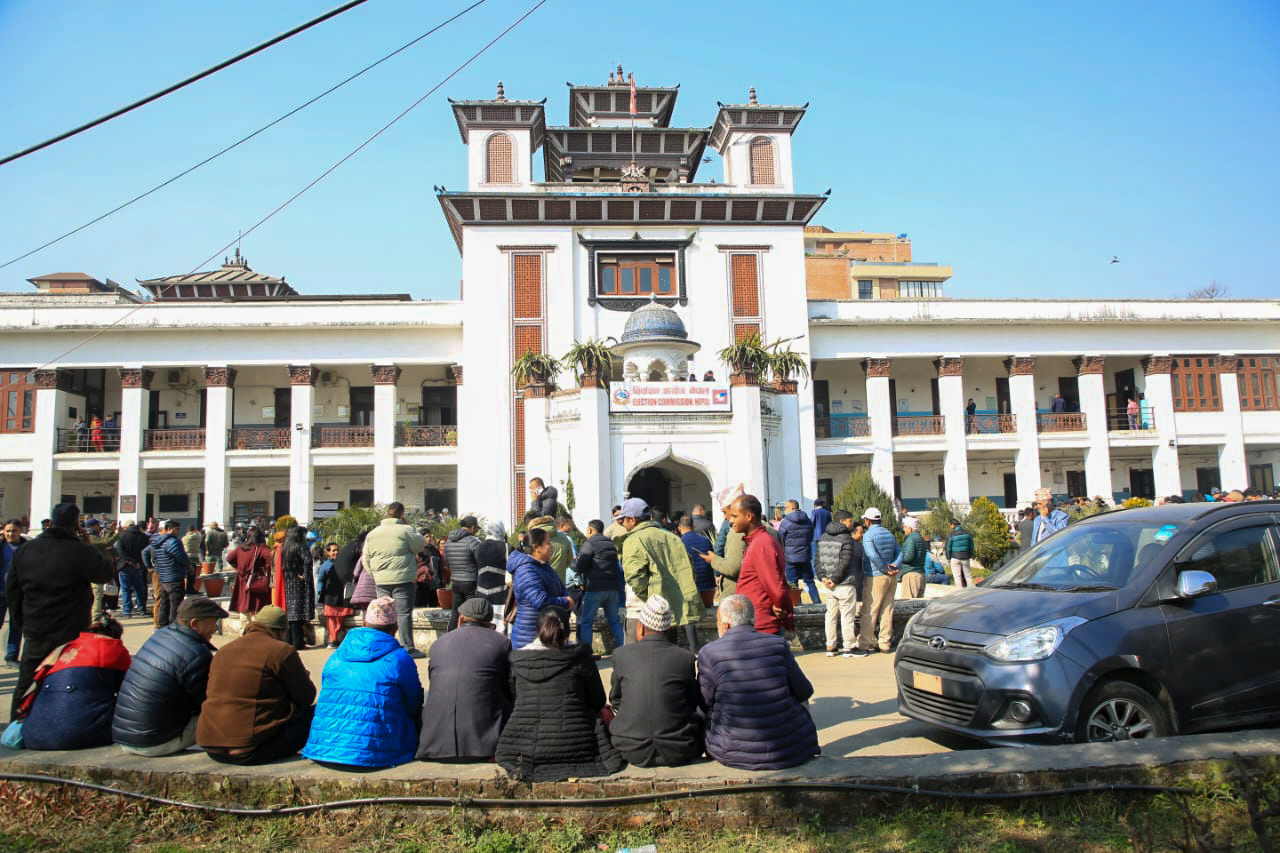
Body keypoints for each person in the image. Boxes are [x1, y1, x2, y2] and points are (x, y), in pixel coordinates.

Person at [7, 503, 115, 717]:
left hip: (37, 625)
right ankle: (64, 721)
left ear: (52, 521)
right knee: (70, 679)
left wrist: (23, 621)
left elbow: (13, 591)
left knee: (27, 681)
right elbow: (105, 573)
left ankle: (18, 722)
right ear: (77, 524)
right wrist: (88, 545)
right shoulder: (81, 550)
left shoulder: (26, 550)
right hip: (71, 628)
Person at [495, 605, 625, 782]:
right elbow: (598, 700)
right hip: (579, 743)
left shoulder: (519, 662)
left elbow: (514, 699)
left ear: (538, 630)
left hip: (525, 746)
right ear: (568, 631)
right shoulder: (580, 659)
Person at [697, 595, 818, 771]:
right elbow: (804, 691)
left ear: (725, 625)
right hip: (787, 750)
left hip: (733, 751)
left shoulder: (709, 653)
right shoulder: (778, 644)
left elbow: (704, 702)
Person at [303, 597, 424, 770]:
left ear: (365, 623)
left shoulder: (337, 655)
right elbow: (413, 703)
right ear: (395, 628)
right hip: (376, 752)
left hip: (323, 748)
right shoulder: (399, 658)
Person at [198, 605, 316, 765]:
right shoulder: (281, 651)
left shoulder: (224, 650)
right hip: (251, 749)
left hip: (211, 746)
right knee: (320, 711)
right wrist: (303, 678)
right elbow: (306, 697)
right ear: (280, 632)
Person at [112, 596, 225, 756]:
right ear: (194, 624)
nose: (215, 628)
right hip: (154, 741)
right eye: (213, 623)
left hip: (126, 735)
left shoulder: (161, 635)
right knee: (227, 713)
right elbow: (207, 702)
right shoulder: (196, 654)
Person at [608, 595, 705, 767]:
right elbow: (692, 702)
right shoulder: (685, 657)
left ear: (640, 627)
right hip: (680, 748)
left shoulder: (622, 655)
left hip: (630, 747)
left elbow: (616, 699)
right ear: (669, 629)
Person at [416, 597, 512, 762]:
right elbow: (508, 687)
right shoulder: (502, 642)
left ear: (460, 619)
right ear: (489, 622)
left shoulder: (439, 643)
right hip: (484, 744)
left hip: (434, 745)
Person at [19, 615, 131, 750]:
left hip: (33, 735)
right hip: (76, 735)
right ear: (116, 635)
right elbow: (129, 692)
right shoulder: (114, 648)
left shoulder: (65, 648)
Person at [619, 498, 705, 651]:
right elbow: (689, 571)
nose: (622, 524)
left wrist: (651, 599)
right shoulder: (672, 538)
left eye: (623, 520)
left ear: (632, 519)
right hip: (668, 611)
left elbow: (635, 578)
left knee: (635, 659)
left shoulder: (633, 539)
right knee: (666, 657)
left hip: (641, 612)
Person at [362, 502, 427, 658]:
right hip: (403, 579)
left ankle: (383, 648)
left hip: (381, 580)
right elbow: (420, 545)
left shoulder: (373, 533)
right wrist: (410, 526)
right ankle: (408, 648)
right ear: (402, 514)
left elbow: (365, 558)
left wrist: (375, 574)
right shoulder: (406, 530)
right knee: (404, 614)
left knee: (382, 614)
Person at [728, 494, 791, 636]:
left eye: (735, 516)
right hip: (753, 621)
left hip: (761, 625)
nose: (731, 521)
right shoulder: (757, 541)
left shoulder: (761, 544)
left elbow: (774, 585)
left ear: (748, 516)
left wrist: (779, 606)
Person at [507, 527, 573, 649]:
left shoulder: (544, 566)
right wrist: (565, 602)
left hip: (546, 633)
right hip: (528, 637)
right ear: (536, 547)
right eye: (548, 543)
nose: (551, 547)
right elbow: (539, 601)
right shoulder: (526, 570)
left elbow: (561, 588)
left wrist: (566, 597)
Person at [853, 507, 901, 656]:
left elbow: (872, 555)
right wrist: (894, 566)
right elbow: (899, 552)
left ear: (868, 521)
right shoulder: (888, 533)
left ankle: (864, 643)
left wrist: (884, 568)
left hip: (875, 576)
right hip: (891, 577)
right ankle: (885, 644)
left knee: (870, 611)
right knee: (887, 610)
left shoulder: (868, 535)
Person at [815, 511, 863, 657]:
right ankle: (849, 647)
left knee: (830, 616)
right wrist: (835, 579)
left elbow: (817, 560)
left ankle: (830, 645)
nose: (851, 524)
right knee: (847, 616)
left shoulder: (823, 536)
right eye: (850, 521)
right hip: (845, 583)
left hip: (828, 585)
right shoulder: (846, 538)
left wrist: (823, 577)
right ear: (842, 521)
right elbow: (845, 561)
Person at [574, 519, 625, 650]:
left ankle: (586, 651)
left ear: (590, 529)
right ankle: (622, 649)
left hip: (595, 588)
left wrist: (574, 563)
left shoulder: (589, 544)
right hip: (612, 588)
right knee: (614, 621)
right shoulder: (611, 544)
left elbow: (580, 567)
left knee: (586, 621)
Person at [143, 519, 193, 627]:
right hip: (174, 575)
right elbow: (181, 557)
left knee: (164, 603)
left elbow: (146, 553)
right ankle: (173, 626)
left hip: (163, 576)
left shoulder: (156, 542)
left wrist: (150, 566)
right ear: (170, 529)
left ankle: (162, 625)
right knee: (175, 604)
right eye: (177, 529)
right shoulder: (173, 542)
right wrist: (189, 565)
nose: (178, 532)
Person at [442, 515, 482, 631]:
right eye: (476, 529)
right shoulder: (473, 542)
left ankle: (450, 635)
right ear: (473, 527)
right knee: (472, 613)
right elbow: (480, 561)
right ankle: (470, 636)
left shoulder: (448, 542)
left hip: (455, 581)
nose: (476, 531)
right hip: (470, 581)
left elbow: (447, 562)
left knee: (455, 611)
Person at [279, 525, 316, 650]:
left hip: (288, 583)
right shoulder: (300, 546)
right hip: (300, 584)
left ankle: (289, 641)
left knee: (292, 615)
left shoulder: (285, 547)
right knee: (299, 615)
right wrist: (306, 576)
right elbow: (308, 560)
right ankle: (298, 643)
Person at [777, 500, 819, 604]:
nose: (784, 510)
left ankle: (796, 604)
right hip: (805, 556)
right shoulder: (808, 520)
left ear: (791, 508)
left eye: (785, 508)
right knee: (810, 581)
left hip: (790, 557)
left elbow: (780, 538)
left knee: (792, 583)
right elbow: (811, 536)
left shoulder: (785, 522)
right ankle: (817, 602)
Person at [317, 541, 355, 648]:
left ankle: (336, 638)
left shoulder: (344, 564)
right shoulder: (325, 566)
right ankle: (332, 639)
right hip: (329, 595)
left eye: (337, 550)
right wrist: (320, 591)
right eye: (333, 550)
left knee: (340, 618)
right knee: (330, 619)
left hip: (341, 596)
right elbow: (320, 580)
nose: (336, 552)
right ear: (328, 552)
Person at [2, 519, 28, 665]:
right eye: (8, 531)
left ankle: (11, 656)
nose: (10, 534)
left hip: (19, 594)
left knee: (16, 625)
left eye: (14, 531)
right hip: (0, 592)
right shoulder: (1, 546)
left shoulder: (27, 548)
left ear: (20, 531)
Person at [476, 520, 511, 624]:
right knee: (499, 626)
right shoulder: (506, 547)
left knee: (483, 624)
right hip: (501, 594)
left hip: (481, 593)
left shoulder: (478, 546)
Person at [113, 521, 150, 618]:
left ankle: (127, 611)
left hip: (124, 566)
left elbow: (120, 551)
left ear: (126, 526)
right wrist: (138, 563)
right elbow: (147, 552)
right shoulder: (144, 537)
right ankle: (142, 609)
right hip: (139, 566)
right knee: (139, 588)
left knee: (125, 589)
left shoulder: (122, 536)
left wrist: (130, 561)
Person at [677, 514, 715, 606]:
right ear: (693, 526)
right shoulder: (706, 540)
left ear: (679, 528)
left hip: (688, 587)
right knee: (708, 611)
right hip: (707, 585)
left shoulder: (678, 543)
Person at [898, 516, 927, 599]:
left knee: (908, 602)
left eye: (905, 527)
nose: (903, 529)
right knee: (918, 604)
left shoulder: (911, 539)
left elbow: (908, 557)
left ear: (910, 528)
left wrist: (898, 556)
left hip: (911, 575)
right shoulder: (920, 538)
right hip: (921, 574)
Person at [944, 517, 975, 588]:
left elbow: (948, 547)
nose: (950, 527)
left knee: (957, 577)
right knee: (968, 576)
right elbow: (971, 546)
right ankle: (972, 591)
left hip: (955, 557)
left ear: (953, 525)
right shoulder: (967, 533)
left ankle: (959, 592)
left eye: (950, 525)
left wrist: (949, 557)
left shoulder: (951, 534)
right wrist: (969, 555)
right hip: (965, 557)